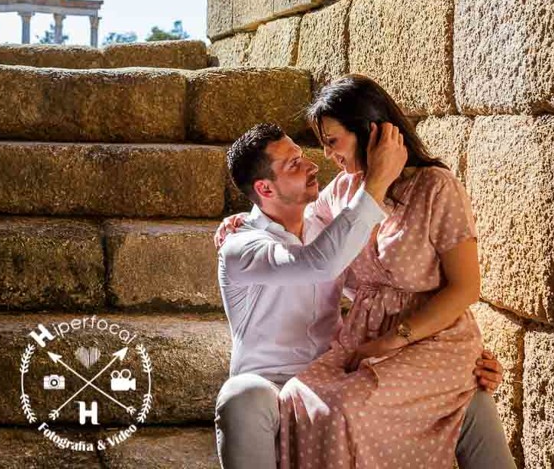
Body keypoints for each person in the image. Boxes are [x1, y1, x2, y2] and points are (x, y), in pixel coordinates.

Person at [214, 101, 514, 468]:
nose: (313, 164)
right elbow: (320, 264)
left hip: (340, 366)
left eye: (305, 154)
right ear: (265, 188)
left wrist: (452, 354)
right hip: (272, 379)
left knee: (467, 396)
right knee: (241, 396)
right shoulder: (243, 246)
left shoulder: (328, 223)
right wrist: (377, 181)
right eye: (294, 164)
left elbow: (376, 288)